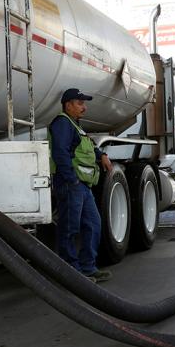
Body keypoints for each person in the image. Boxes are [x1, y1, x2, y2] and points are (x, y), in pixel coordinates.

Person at [49, 88, 113, 283]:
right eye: (80, 103)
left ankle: (88, 268)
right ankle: (71, 272)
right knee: (70, 227)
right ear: (68, 105)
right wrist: (72, 179)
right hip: (71, 184)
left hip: (82, 186)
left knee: (93, 224)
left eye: (84, 104)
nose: (84, 108)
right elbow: (60, 153)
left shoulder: (75, 126)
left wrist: (100, 153)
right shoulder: (61, 123)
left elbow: (87, 145)